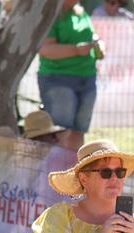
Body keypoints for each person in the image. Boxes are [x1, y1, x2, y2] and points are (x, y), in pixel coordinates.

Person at [37, 0, 101, 150]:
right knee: (60, 132)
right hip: (58, 80)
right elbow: (45, 49)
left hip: (87, 78)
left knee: (79, 131)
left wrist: (98, 43)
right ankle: (56, 170)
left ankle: (74, 170)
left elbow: (90, 35)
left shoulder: (80, 12)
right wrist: (76, 50)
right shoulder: (50, 15)